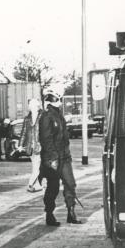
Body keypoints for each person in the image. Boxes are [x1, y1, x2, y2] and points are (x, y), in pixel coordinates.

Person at [40, 89, 81, 226]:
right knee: (53, 187)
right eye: (57, 100)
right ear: (51, 101)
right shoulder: (47, 117)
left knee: (70, 184)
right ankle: (49, 214)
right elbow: (46, 139)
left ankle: (71, 212)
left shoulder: (59, 116)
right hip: (53, 158)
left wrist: (65, 154)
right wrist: (52, 158)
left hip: (64, 157)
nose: (60, 102)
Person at [21, 98, 44, 193]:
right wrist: (20, 145)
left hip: (40, 146)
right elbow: (23, 132)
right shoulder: (27, 119)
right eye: (30, 105)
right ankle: (35, 185)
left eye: (31, 104)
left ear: (37, 106)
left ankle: (32, 184)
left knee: (37, 167)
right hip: (30, 146)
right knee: (36, 167)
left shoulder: (43, 117)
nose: (30, 106)